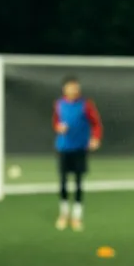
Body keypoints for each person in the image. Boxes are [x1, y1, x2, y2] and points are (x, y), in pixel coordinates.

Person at [53, 76, 102, 231]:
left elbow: (96, 123)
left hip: (80, 149)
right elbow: (55, 122)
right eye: (70, 87)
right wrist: (58, 127)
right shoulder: (58, 105)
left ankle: (77, 217)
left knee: (79, 182)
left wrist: (95, 138)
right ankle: (63, 214)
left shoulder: (86, 105)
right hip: (63, 148)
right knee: (63, 182)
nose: (74, 90)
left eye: (76, 87)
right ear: (64, 89)